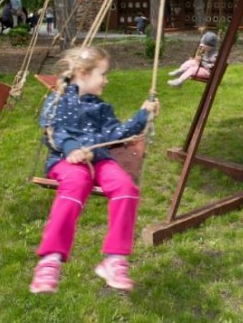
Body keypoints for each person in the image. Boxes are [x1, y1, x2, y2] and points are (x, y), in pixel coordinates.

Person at [29, 46, 160, 294]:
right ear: (82, 73)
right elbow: (52, 129)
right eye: (102, 73)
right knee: (77, 182)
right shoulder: (59, 99)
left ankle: (114, 259)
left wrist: (143, 115)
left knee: (126, 188)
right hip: (66, 161)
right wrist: (71, 148)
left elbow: (115, 135)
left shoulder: (102, 108)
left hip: (99, 160)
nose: (106, 80)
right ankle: (50, 260)